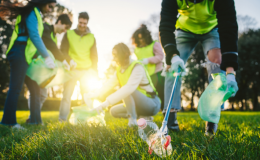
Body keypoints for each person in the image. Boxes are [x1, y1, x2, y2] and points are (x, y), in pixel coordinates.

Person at [159, 0, 239, 136]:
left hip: (211, 29)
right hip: (184, 30)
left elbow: (229, 27)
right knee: (171, 67)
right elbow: (166, 25)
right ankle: (170, 119)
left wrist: (230, 72)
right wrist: (172, 56)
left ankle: (211, 120)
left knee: (216, 62)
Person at [0, 0, 57, 129]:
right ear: (43, 2)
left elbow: (33, 41)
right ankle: (8, 122)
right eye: (49, 6)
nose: (50, 10)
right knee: (15, 88)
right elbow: (34, 36)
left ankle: (35, 121)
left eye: (52, 8)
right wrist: (46, 56)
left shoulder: (36, 13)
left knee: (35, 87)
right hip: (19, 51)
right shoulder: (32, 12)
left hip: (25, 54)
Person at [85, 43, 161, 126]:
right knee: (113, 111)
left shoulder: (137, 67)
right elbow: (108, 85)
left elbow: (128, 88)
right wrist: (94, 94)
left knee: (127, 91)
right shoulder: (119, 70)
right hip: (138, 105)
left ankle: (132, 121)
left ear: (125, 54)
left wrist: (105, 104)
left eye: (116, 55)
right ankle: (144, 117)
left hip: (152, 104)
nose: (114, 58)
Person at [26, 14, 74, 123]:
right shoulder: (45, 28)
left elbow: (54, 50)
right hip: (34, 66)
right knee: (37, 93)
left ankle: (32, 117)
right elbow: (51, 46)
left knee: (42, 94)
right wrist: (64, 60)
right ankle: (33, 118)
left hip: (42, 69)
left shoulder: (53, 36)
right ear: (60, 22)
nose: (65, 31)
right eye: (65, 27)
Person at [59, 12, 98, 121]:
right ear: (78, 21)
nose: (82, 25)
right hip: (72, 70)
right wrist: (69, 60)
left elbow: (94, 56)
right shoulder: (69, 34)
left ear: (87, 23)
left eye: (84, 23)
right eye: (80, 22)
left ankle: (83, 120)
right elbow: (63, 50)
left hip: (86, 71)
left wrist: (94, 71)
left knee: (86, 98)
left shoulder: (91, 37)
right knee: (67, 96)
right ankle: (62, 120)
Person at [132, 24, 165, 110]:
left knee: (161, 94)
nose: (141, 40)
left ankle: (165, 111)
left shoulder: (155, 44)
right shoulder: (137, 49)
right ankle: (148, 111)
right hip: (145, 75)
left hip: (157, 73)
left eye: (143, 38)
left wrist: (147, 60)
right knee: (146, 94)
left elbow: (160, 57)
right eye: (139, 38)